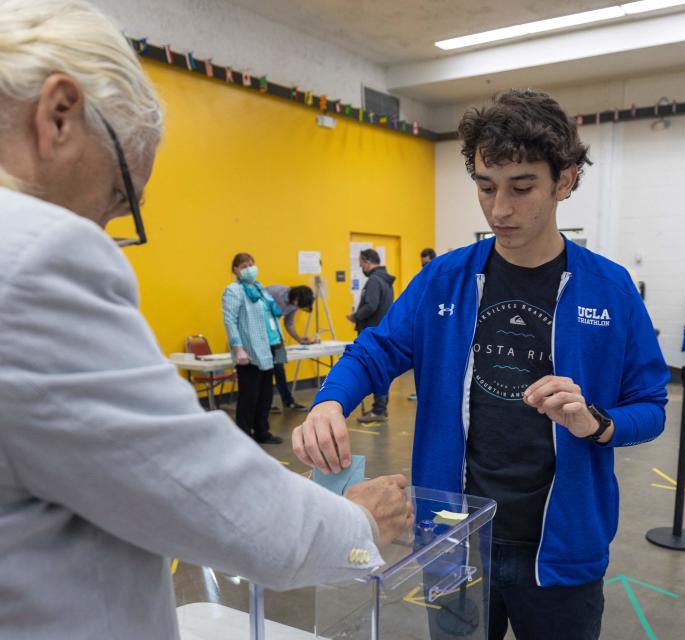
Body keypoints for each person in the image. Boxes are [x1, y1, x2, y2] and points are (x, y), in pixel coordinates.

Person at [0, 3, 412, 638]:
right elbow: (211, 499)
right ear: (58, 114)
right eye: (118, 199)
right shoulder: (36, 256)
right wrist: (358, 527)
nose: (104, 230)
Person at [294, 89, 669, 640]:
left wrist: (599, 422)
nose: (499, 210)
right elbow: (376, 350)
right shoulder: (444, 279)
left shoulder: (610, 288)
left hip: (561, 552)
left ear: (564, 182)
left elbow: (651, 405)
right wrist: (330, 400)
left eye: (522, 188)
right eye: (486, 188)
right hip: (452, 539)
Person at [222, 253, 286, 444]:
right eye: (244, 266)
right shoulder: (233, 291)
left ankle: (262, 432)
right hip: (249, 352)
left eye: (251, 264)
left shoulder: (259, 289)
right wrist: (238, 349)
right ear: (235, 269)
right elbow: (230, 321)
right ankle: (243, 436)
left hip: (268, 348)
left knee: (265, 395)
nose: (249, 269)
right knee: (249, 396)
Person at [347, 248, 395, 423]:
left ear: (367, 262)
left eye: (361, 264)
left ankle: (379, 410)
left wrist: (356, 316)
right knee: (380, 370)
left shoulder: (374, 280)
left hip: (373, 333)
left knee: (377, 371)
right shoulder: (385, 279)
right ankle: (380, 408)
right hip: (381, 331)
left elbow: (371, 305)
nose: (361, 268)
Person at [266, 283, 316, 411]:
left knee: (280, 369)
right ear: (296, 295)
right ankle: (265, 403)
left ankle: (288, 402)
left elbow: (289, 323)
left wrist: (300, 339)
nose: (296, 307)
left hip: (276, 337)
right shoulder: (274, 291)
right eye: (297, 304)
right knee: (265, 371)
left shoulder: (294, 304)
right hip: (262, 337)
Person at [408, 248, 437, 401]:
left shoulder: (441, 277)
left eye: (426, 262)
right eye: (422, 263)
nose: (424, 266)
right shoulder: (423, 278)